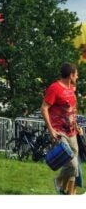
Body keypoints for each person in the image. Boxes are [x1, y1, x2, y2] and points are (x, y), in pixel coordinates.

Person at [41, 62, 79, 195]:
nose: (78, 77)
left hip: (72, 132)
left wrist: (77, 125)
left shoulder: (72, 88)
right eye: (76, 74)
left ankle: (65, 192)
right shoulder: (54, 88)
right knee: (73, 165)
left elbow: (72, 109)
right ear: (71, 75)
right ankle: (58, 181)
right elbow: (44, 108)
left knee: (74, 168)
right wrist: (51, 129)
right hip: (59, 132)